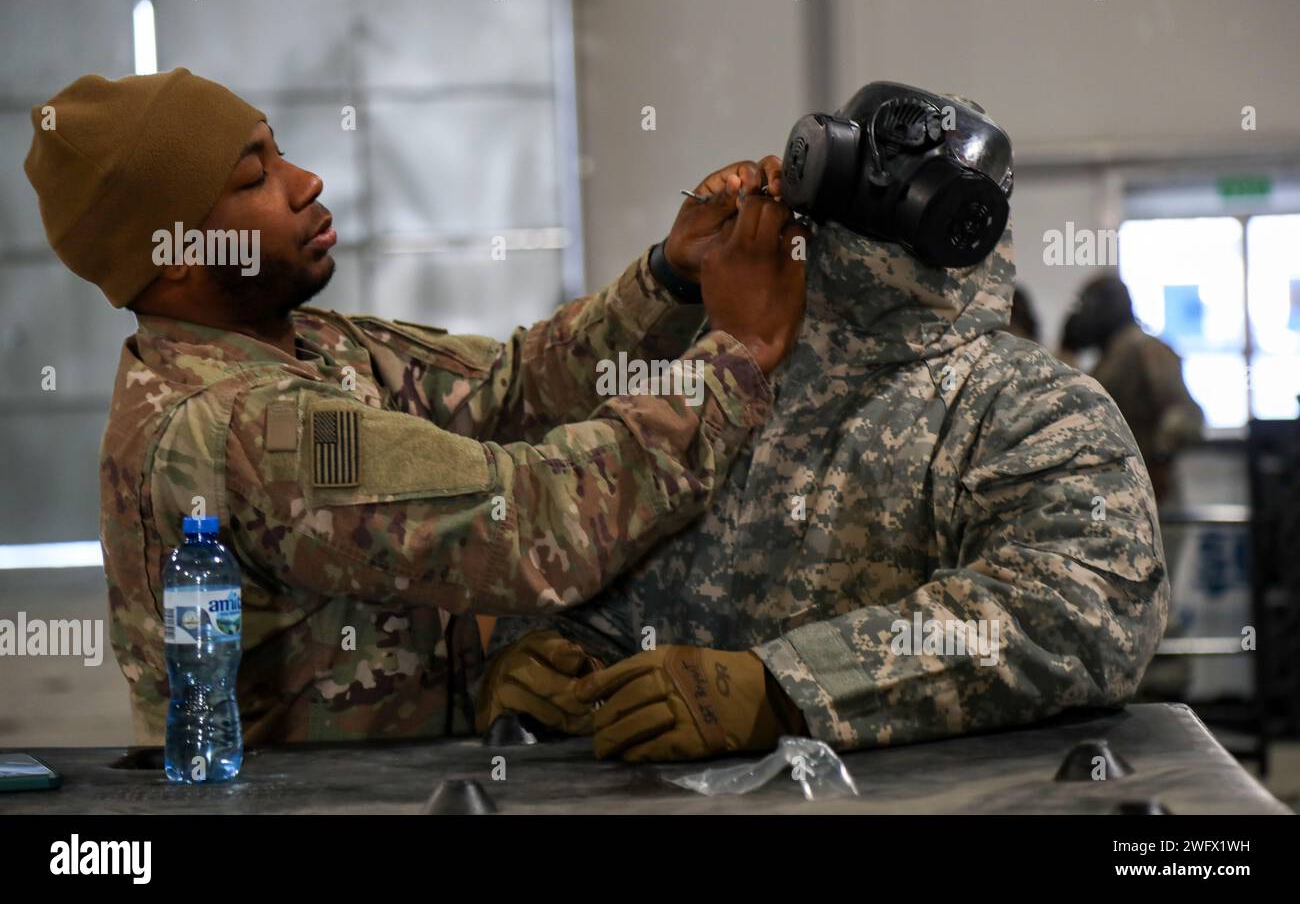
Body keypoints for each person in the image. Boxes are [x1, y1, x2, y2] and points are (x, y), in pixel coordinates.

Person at [22, 67, 808, 744]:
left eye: (280, 151)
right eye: (253, 179)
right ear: (175, 258)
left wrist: (668, 280)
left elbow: (512, 387)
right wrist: (736, 354)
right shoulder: (251, 429)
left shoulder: (311, 345)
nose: (306, 182)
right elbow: (533, 526)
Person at [478, 87, 1170, 763]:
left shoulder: (1033, 407)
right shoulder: (723, 379)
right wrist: (547, 645)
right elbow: (596, 532)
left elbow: (1077, 614)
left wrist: (786, 688)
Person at [1060, 274, 1204, 505]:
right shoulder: (1110, 354)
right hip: (1113, 489)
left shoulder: (1144, 349)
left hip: (1149, 490)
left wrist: (1160, 456)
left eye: (1087, 305)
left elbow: (1187, 414)